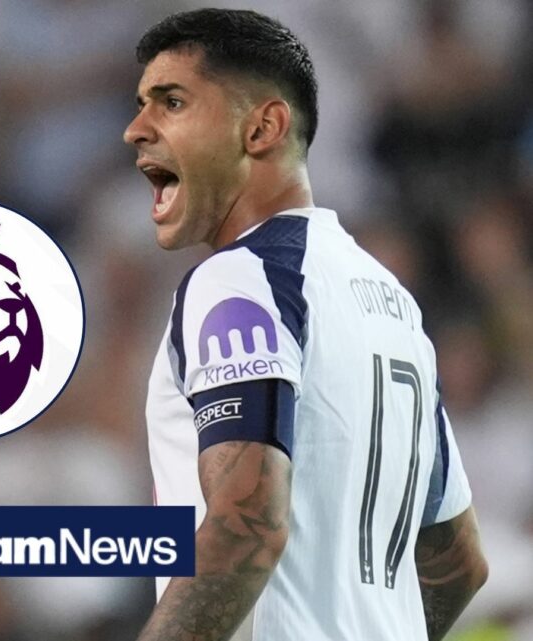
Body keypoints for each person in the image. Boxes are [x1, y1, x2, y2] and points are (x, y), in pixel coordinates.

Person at [124, 9, 488, 641]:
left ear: (262, 127)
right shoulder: (393, 304)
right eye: (141, 104)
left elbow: (247, 526)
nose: (135, 129)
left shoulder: (239, 278)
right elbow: (458, 562)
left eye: (172, 102)